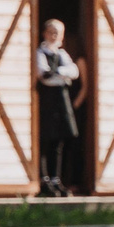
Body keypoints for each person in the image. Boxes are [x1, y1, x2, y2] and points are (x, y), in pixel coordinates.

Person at [36, 18, 87, 197]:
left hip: (61, 100)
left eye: (57, 33)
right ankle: (44, 179)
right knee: (45, 140)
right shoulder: (40, 53)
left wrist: (58, 73)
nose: (54, 36)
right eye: (51, 32)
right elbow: (43, 75)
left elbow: (74, 72)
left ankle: (56, 179)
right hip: (48, 101)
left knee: (59, 141)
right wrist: (62, 76)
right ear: (45, 33)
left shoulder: (62, 54)